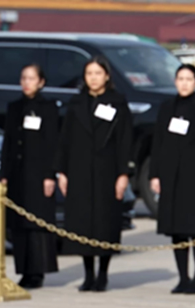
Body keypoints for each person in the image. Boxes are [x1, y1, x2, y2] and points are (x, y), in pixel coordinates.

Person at [55, 56, 132, 293]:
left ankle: (103, 274)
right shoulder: (76, 103)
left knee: (104, 222)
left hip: (106, 171)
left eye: (98, 73)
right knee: (83, 224)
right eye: (89, 74)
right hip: (79, 170)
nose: (93, 78)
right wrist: (62, 171)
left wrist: (123, 173)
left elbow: (125, 140)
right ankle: (88, 274)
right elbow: (64, 139)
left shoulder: (117, 102)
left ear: (107, 76)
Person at [150, 64, 195, 294]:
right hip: (172, 176)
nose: (184, 83)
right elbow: (158, 143)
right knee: (177, 229)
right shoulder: (166, 107)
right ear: (175, 81)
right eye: (180, 78)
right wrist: (155, 174)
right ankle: (182, 277)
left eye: (189, 79)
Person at [0, 63, 59, 290]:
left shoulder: (48, 107)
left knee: (36, 223)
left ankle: (38, 271)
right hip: (17, 174)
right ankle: (23, 269)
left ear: (41, 82)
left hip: (38, 174)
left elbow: (51, 143)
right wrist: (4, 174)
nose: (27, 82)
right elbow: (8, 143)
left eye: (32, 78)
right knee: (19, 225)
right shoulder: (14, 107)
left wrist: (49, 175)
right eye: (24, 78)